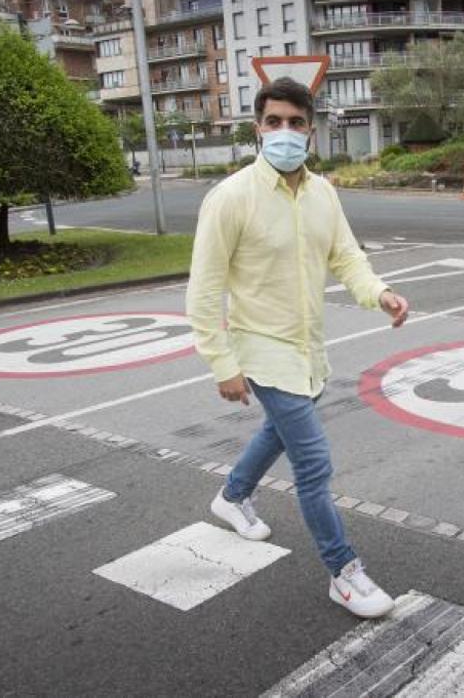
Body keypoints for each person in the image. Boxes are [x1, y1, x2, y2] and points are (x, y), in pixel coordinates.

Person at [186, 77, 410, 619]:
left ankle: (234, 494)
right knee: (313, 461)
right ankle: (344, 572)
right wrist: (224, 364)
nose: (284, 132)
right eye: (273, 122)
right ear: (257, 129)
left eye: (295, 122)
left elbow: (346, 256)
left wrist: (378, 293)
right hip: (260, 349)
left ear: (311, 131)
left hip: (307, 347)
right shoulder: (231, 198)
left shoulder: (322, 193)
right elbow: (203, 290)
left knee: (278, 432)